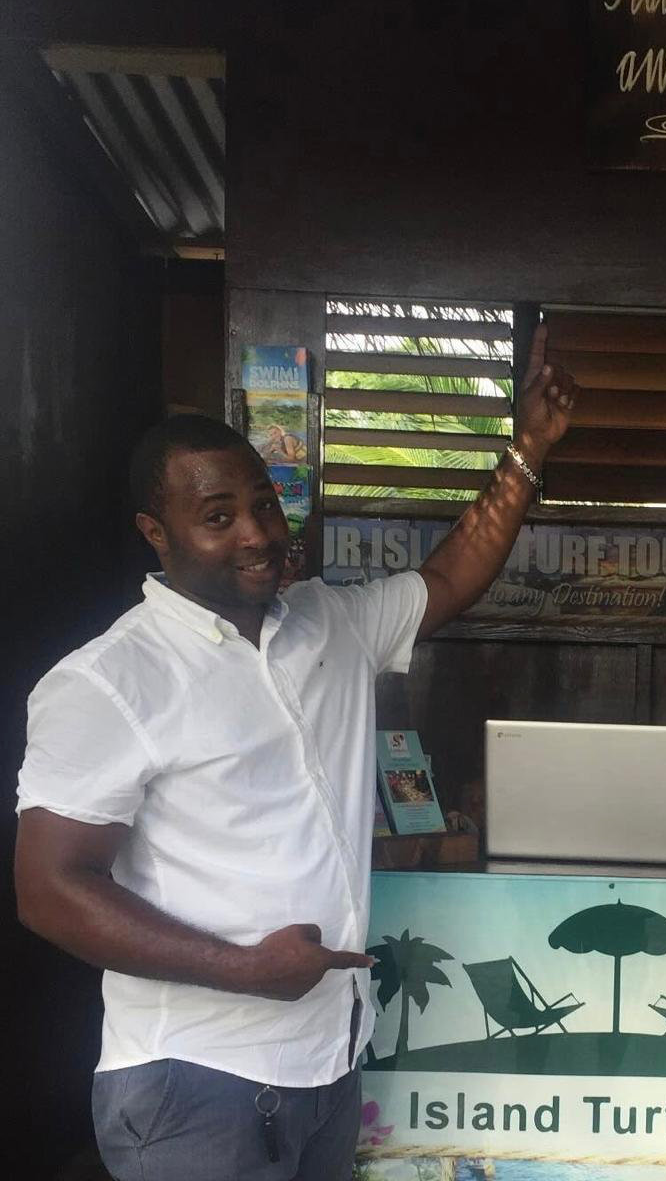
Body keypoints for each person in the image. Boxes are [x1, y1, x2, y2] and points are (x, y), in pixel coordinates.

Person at [13, 326, 576, 1181]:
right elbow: (49, 891)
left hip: (327, 1063)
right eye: (217, 517)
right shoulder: (110, 681)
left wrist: (528, 452)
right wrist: (243, 969)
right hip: (193, 1081)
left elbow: (453, 576)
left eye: (264, 506)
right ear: (154, 534)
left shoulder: (329, 623)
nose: (256, 534)